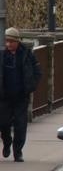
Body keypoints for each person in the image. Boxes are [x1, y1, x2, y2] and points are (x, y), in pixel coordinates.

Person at [0, 27, 43, 162]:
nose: (8, 44)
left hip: (21, 96)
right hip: (4, 97)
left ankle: (18, 152)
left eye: (11, 41)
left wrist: (31, 87)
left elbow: (37, 72)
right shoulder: (2, 55)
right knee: (3, 123)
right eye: (6, 41)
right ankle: (7, 143)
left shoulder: (26, 54)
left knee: (20, 125)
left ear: (17, 42)